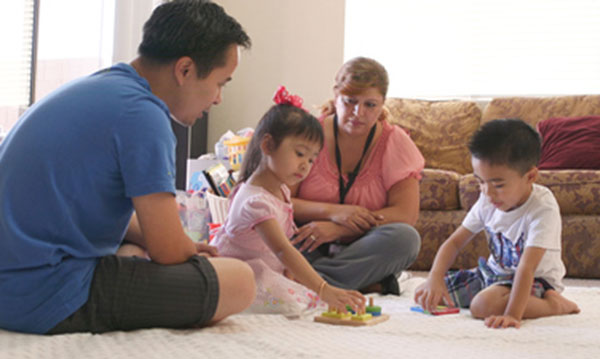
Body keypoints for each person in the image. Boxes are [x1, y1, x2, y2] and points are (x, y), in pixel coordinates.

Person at [0, 0, 256, 334]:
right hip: (41, 294)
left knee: (134, 248)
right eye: (221, 83)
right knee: (240, 280)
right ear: (185, 70)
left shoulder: (103, 88)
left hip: (14, 280)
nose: (218, 98)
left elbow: (129, 224)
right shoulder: (144, 115)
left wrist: (180, 245)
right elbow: (168, 251)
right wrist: (186, 252)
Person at [211, 86, 366, 315]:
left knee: (303, 296)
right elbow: (283, 250)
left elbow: (285, 248)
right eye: (300, 154)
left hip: (267, 267)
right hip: (241, 272)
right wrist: (323, 289)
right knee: (295, 303)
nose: (305, 165)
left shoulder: (281, 189)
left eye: (312, 159)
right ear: (267, 145)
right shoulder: (255, 201)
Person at [414, 119, 580, 329]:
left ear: (530, 176)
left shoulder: (542, 207)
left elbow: (526, 268)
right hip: (493, 275)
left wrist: (512, 315)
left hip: (535, 281)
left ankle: (554, 305)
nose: (487, 192)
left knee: (482, 306)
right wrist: (434, 278)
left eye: (498, 184)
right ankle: (491, 296)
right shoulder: (487, 200)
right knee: (426, 293)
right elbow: (454, 243)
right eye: (480, 181)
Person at [291, 57, 425, 295]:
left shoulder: (395, 141)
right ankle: (362, 282)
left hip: (362, 246)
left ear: (383, 103)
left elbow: (405, 214)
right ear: (336, 95)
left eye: (370, 105)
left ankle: (307, 282)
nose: (358, 113)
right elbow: (283, 200)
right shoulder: (308, 133)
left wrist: (341, 229)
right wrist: (334, 213)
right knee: (272, 232)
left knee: (406, 238)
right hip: (309, 240)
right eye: (350, 102)